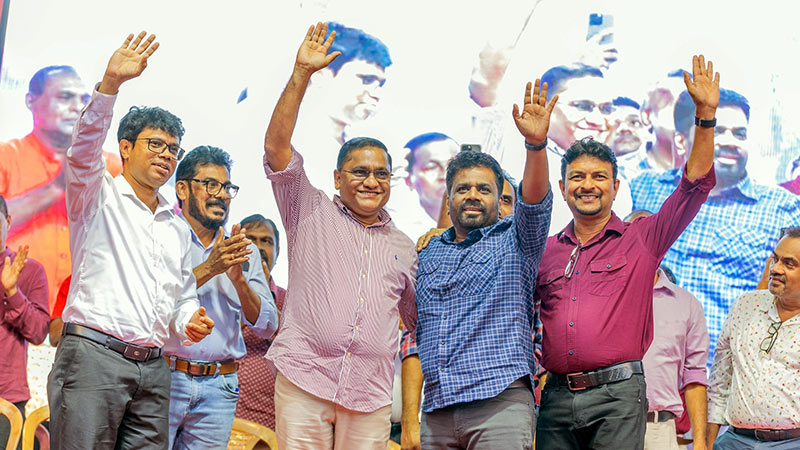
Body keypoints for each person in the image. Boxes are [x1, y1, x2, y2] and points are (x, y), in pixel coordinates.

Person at [533, 55, 719, 449]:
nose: (588, 185)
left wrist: (705, 117)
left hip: (617, 396)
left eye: (599, 177)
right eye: (577, 178)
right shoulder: (547, 252)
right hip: (556, 398)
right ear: (563, 188)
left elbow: (695, 184)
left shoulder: (643, 239)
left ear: (616, 187)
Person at [47, 32, 214, 450]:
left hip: (155, 369)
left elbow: (182, 298)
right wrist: (110, 85)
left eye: (173, 149)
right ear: (125, 147)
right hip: (92, 358)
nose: (166, 155)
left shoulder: (177, 227)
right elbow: (82, 151)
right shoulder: (95, 194)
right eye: (155, 144)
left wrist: (188, 320)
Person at [262, 23, 416, 448]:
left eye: (380, 173)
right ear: (338, 177)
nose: (371, 181)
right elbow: (276, 150)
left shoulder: (404, 245)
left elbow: (415, 319)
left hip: (369, 394)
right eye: (360, 172)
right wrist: (300, 75)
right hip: (305, 379)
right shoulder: (308, 208)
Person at [399, 78, 555, 449]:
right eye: (462, 188)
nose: (472, 195)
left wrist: (535, 145)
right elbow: (413, 336)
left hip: (498, 403)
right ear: (448, 199)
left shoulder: (517, 241)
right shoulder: (427, 252)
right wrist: (410, 419)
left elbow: (534, 202)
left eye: (484, 189)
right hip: (437, 409)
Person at [630, 87, 800, 367]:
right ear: (682, 141)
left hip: (731, 371)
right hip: (647, 370)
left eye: (740, 134)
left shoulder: (782, 208)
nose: (731, 142)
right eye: (717, 131)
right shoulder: (643, 190)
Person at [165, 146, 279, 449]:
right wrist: (209, 268)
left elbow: (268, 326)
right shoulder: (160, 238)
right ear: (182, 188)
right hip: (163, 377)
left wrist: (239, 280)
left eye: (227, 187)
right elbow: (149, 302)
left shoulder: (244, 252)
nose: (222, 194)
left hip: (220, 385)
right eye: (211, 185)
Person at [0, 65, 123, 311]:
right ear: (30, 101)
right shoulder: (6, 156)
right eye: (65, 97)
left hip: (84, 315)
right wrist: (56, 188)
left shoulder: (111, 165)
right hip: (13, 307)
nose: (77, 107)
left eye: (84, 99)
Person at [707, 227, 800, 448]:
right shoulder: (745, 305)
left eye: (789, 263)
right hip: (734, 441)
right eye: (775, 258)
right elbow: (720, 381)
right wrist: (707, 444)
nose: (775, 268)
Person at [624, 211, 710, 450]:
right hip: (608, 424)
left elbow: (694, 376)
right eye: (633, 234)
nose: (643, 242)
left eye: (652, 234)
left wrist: (701, 442)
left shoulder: (686, 304)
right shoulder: (600, 295)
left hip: (660, 429)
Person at [0, 196, 49, 449]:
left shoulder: (30, 271)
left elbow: (40, 332)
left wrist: (11, 292)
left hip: (6, 401)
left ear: (8, 222)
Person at [235, 214, 287, 431]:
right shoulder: (218, 289)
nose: (257, 248)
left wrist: (260, 303)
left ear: (277, 252)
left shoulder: (290, 300)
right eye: (251, 240)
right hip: (212, 408)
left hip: (266, 418)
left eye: (266, 241)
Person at [404, 132, 460, 222]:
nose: (445, 175)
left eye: (453, 165)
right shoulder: (398, 226)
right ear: (408, 179)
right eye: (432, 167)